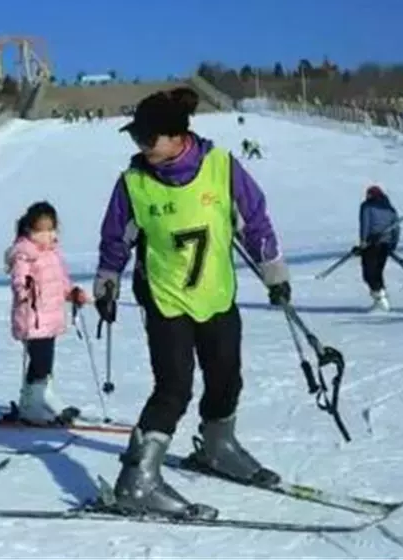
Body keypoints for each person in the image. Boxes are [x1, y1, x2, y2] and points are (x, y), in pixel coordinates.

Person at [93, 87, 292, 520]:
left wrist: (274, 271)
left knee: (225, 379)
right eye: (136, 139)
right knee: (173, 387)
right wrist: (107, 281)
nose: (141, 147)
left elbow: (253, 220)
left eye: (148, 139)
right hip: (165, 299)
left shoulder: (220, 167)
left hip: (216, 295)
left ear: (177, 135)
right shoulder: (134, 182)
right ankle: (137, 480)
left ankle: (218, 447)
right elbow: (116, 238)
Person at [4, 201, 90, 424]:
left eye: (51, 229)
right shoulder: (25, 252)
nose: (47, 235)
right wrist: (23, 289)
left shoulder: (52, 253)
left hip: (50, 317)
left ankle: (31, 403)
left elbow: (60, 281)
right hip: (33, 317)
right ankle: (43, 398)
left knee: (43, 361)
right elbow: (18, 277)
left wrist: (72, 293)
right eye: (41, 230)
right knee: (41, 360)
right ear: (29, 230)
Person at [356, 185, 401, 311]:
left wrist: (363, 241)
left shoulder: (367, 206)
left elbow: (365, 224)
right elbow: (396, 228)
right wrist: (393, 244)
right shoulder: (390, 208)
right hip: (385, 244)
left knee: (369, 273)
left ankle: (380, 299)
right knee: (378, 271)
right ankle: (381, 298)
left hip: (371, 243)